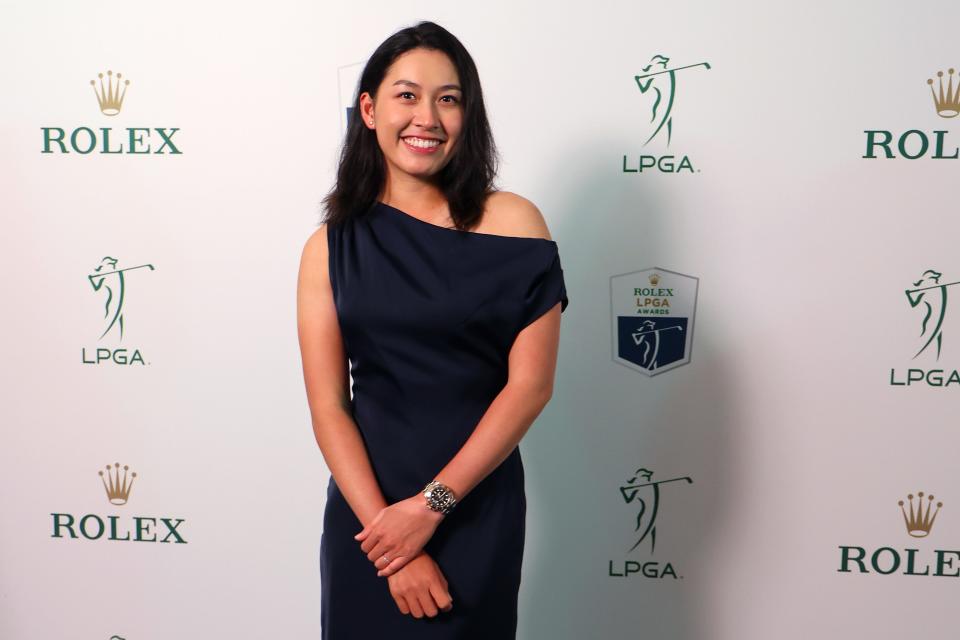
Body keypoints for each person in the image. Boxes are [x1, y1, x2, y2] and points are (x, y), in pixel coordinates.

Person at [296, 20, 569, 639]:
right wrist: (391, 541)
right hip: (369, 519)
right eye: (406, 95)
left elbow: (530, 388)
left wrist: (430, 508)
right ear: (368, 108)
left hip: (476, 508)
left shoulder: (516, 224)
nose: (428, 116)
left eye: (448, 98)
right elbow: (328, 408)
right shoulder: (330, 248)